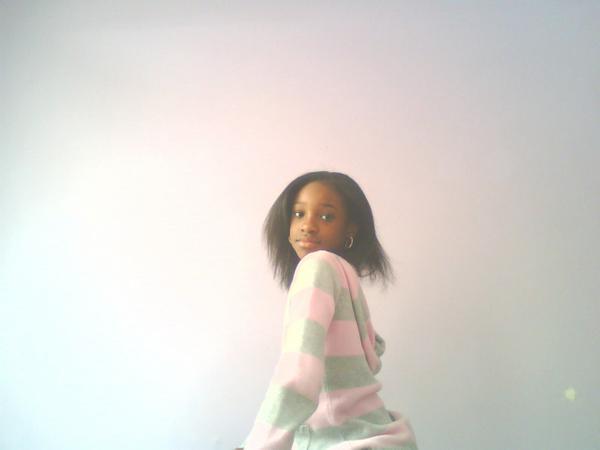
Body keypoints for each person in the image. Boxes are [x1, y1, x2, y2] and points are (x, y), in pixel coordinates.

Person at [237, 171, 418, 450]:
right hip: (378, 434)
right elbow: (371, 354)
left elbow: (299, 372)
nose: (307, 226)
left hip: (341, 440)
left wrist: (258, 445)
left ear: (350, 229)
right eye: (298, 214)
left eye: (326, 217)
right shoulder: (345, 274)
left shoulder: (317, 265)